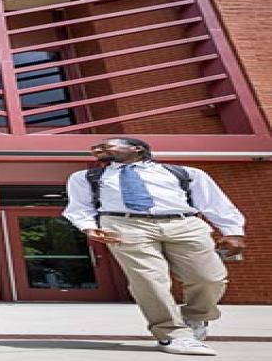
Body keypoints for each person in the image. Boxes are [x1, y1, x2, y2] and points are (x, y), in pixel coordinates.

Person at [64, 138, 246, 356]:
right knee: (149, 280)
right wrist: (88, 227)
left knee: (209, 278)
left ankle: (196, 317)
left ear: (137, 149)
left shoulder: (185, 173)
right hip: (124, 224)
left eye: (107, 145)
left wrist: (233, 232)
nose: (97, 149)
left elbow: (214, 202)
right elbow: (79, 207)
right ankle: (172, 334)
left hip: (184, 223)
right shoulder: (86, 177)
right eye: (96, 148)